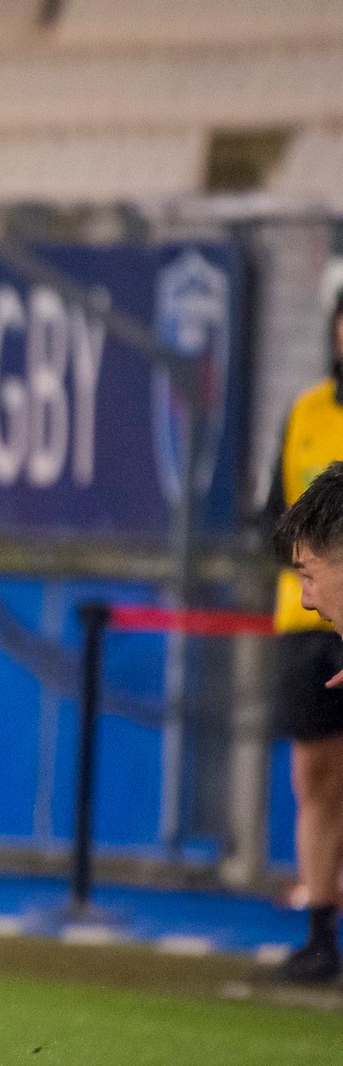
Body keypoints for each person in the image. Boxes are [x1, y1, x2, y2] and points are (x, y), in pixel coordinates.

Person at [264, 293, 343, 984]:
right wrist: (307, 581)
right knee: (314, 779)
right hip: (305, 635)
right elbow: (276, 518)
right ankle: (320, 931)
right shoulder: (307, 411)